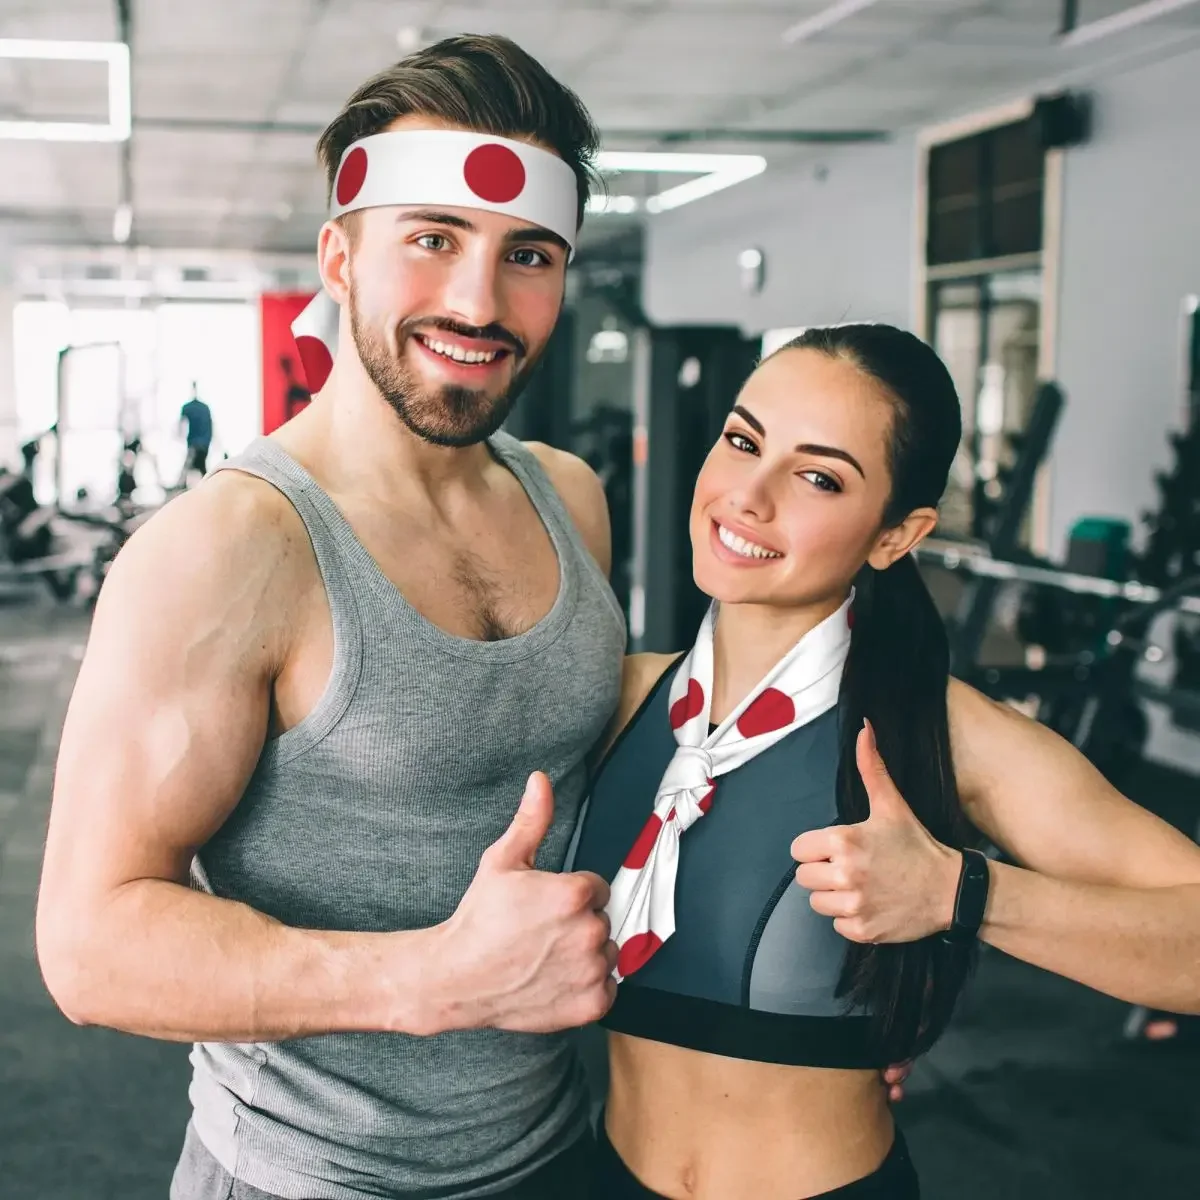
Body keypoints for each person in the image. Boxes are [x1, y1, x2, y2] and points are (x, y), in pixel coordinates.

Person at [36, 36, 627, 1200]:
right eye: (432, 239)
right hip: (312, 1179)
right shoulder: (228, 549)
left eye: (529, 254)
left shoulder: (570, 498)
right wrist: (436, 981)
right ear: (339, 258)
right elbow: (90, 945)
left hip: (563, 1149)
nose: (478, 300)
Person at [570, 323, 1200, 1199]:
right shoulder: (622, 701)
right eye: (744, 441)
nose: (748, 496)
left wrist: (961, 893)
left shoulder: (941, 732)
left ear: (896, 535)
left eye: (819, 476)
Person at [179, 382, 214, 484]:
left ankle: (181, 488)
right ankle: (207, 486)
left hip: (195, 444)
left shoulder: (188, 407)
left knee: (188, 470)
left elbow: (181, 426)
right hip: (204, 443)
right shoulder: (205, 408)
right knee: (202, 469)